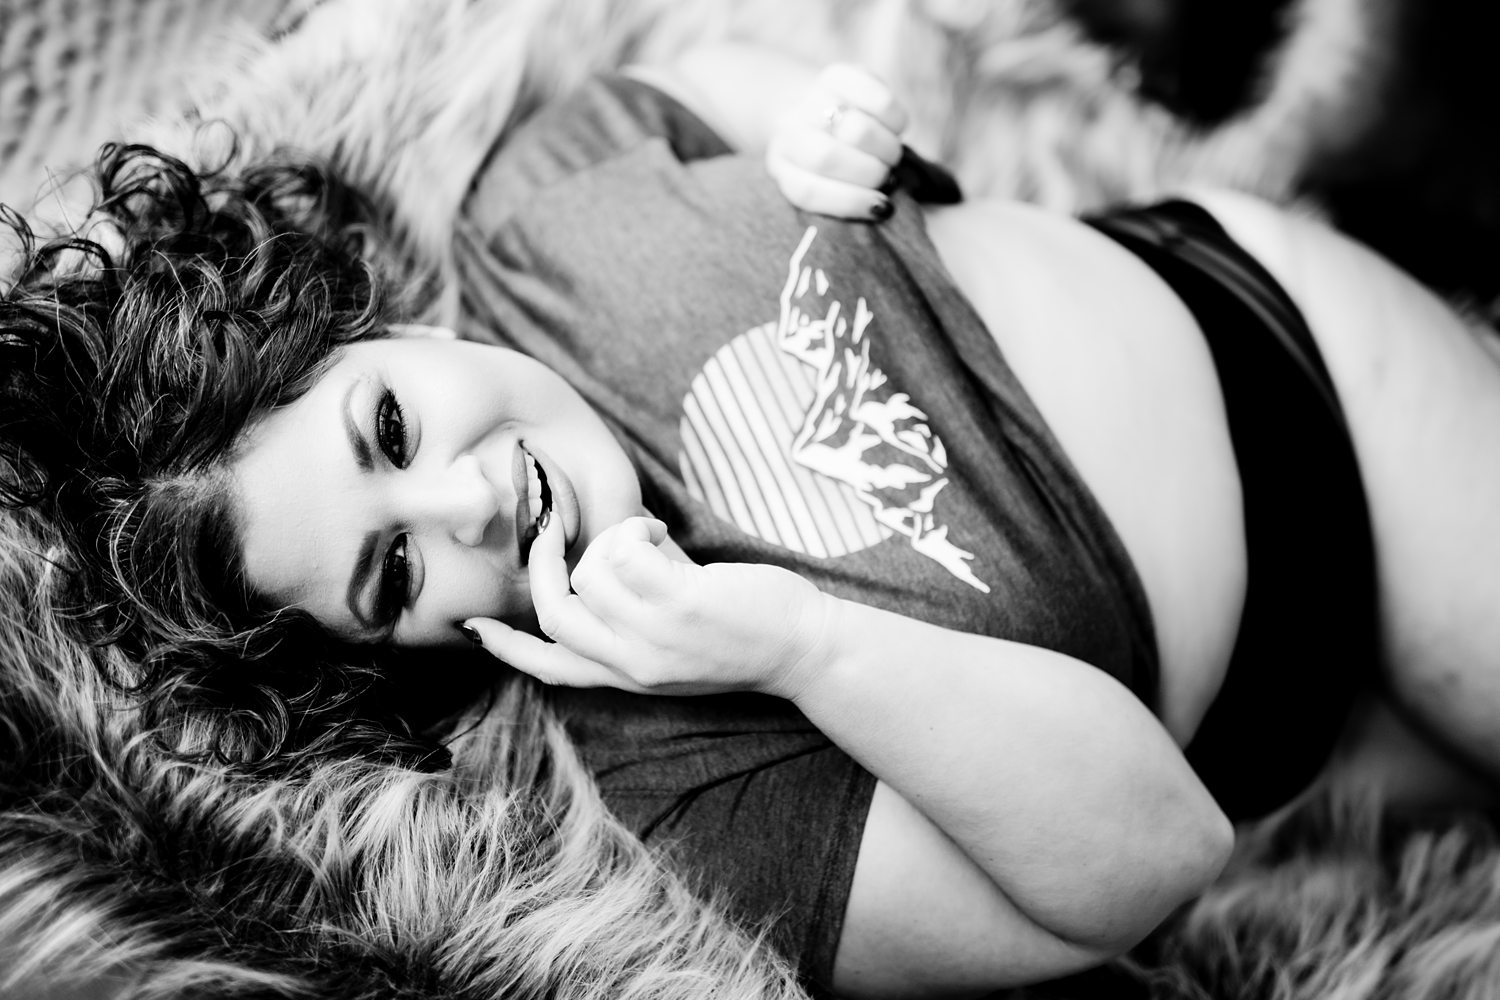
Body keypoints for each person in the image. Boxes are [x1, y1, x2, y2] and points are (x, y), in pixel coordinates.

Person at [4, 45, 1499, 997]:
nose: (464, 497)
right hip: (1259, 689)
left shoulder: (539, 217)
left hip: (1275, 329)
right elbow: (1153, 857)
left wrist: (819, 128)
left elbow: (714, 77)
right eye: (393, 569)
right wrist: (796, 646)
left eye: (387, 427)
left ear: (385, 332)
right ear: (400, 653)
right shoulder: (675, 773)